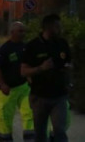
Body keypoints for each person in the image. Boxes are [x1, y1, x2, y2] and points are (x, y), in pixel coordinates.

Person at [21, 14, 72, 142]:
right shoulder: (33, 46)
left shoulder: (62, 43)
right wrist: (41, 68)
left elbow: (69, 63)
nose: (60, 29)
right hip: (39, 97)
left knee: (59, 130)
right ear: (48, 27)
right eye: (57, 26)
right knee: (40, 134)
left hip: (59, 96)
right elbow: (23, 71)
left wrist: (68, 73)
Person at [0, 22, 34, 142]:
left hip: (24, 87)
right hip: (7, 90)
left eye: (24, 31)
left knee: (29, 114)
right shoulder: (4, 49)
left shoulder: (26, 47)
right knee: (5, 117)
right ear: (12, 33)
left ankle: (30, 139)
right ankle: (5, 139)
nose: (23, 34)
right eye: (20, 31)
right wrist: (2, 84)